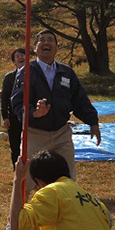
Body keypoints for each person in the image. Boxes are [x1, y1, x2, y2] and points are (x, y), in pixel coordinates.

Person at [11, 30, 100, 193]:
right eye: (42, 40)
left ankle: (66, 213)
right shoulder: (26, 72)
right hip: (35, 134)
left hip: (61, 133)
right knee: (27, 179)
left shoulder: (66, 72)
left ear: (56, 47)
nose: (46, 43)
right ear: (35, 47)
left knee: (68, 178)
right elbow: (17, 101)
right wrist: (33, 113)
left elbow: (80, 100)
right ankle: (16, 216)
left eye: (50, 40)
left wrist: (93, 122)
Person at [1, 48, 27, 167]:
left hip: (31, 115)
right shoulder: (9, 77)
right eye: (17, 56)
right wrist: (5, 116)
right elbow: (4, 98)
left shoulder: (35, 74)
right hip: (14, 116)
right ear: (14, 62)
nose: (21, 57)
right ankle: (17, 170)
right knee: (15, 145)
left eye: (23, 55)